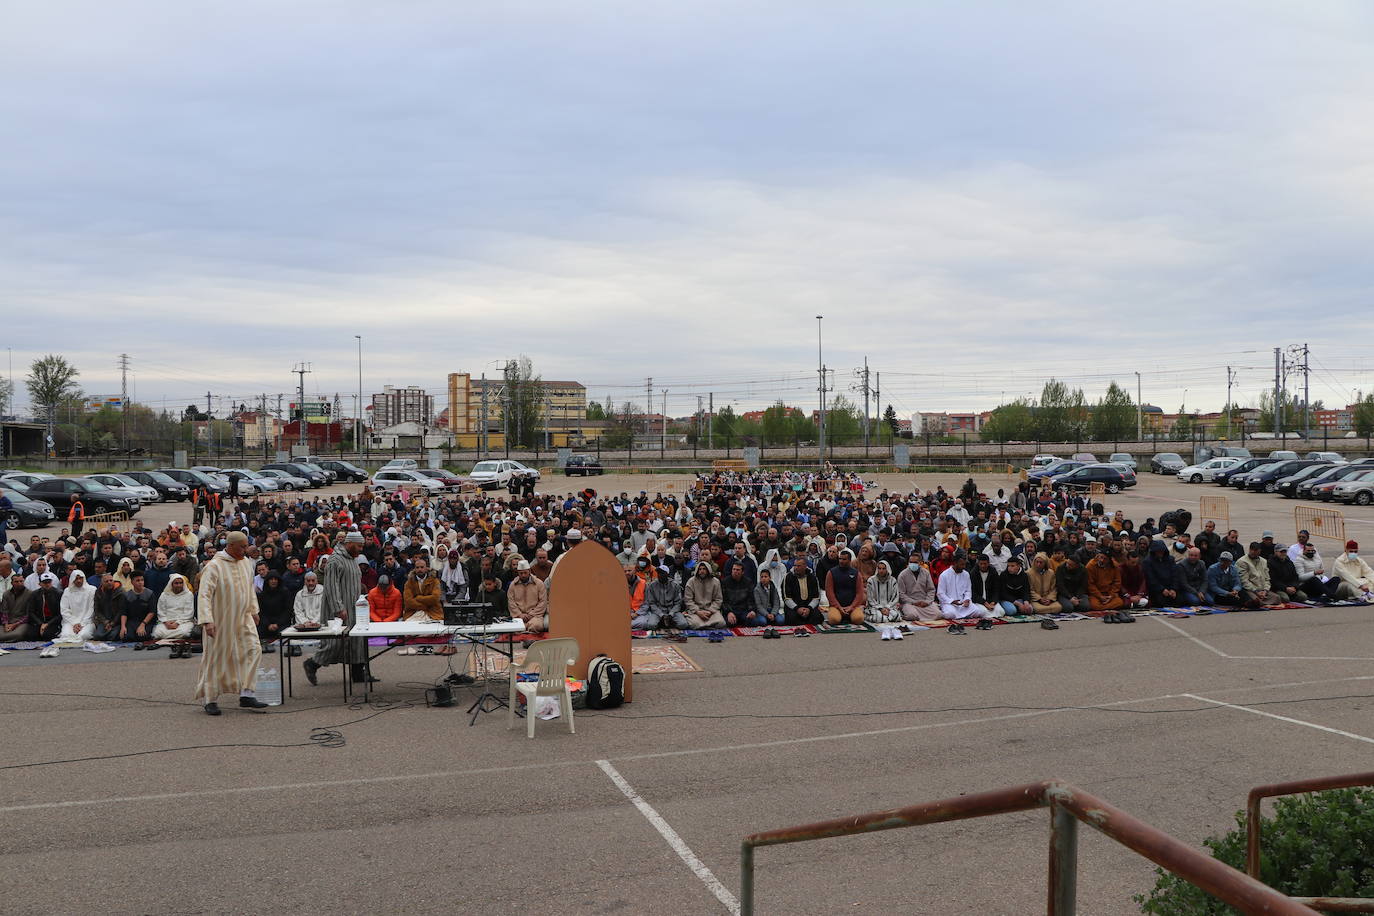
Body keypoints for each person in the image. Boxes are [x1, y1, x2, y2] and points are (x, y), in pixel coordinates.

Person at [195, 531, 268, 714]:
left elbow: (249, 589)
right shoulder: (214, 566)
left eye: (246, 546)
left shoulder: (246, 563)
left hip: (243, 617)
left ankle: (247, 694)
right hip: (220, 620)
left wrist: (254, 610)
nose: (246, 549)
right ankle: (210, 699)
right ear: (231, 545)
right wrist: (207, 621)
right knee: (216, 658)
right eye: (242, 546)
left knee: (254, 650)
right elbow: (204, 595)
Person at [304, 531, 370, 687]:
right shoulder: (335, 560)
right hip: (339, 610)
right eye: (359, 546)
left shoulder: (352, 559)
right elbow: (331, 587)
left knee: (356, 640)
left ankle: (358, 673)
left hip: (354, 607)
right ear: (350, 544)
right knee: (335, 643)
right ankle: (312, 664)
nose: (361, 549)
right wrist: (338, 608)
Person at [155, 574, 198, 656]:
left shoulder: (188, 595)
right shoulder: (164, 595)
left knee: (185, 632)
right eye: (176, 583)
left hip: (183, 622)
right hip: (167, 622)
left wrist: (177, 623)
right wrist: (166, 622)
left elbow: (188, 613)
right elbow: (161, 611)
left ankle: (168, 638)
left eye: (180, 583)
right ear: (171, 584)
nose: (179, 585)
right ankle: (175, 637)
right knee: (157, 633)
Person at [937, 552, 980, 630]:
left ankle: (961, 616)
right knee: (950, 614)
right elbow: (940, 593)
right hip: (949, 604)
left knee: (978, 611)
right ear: (955, 563)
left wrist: (967, 599)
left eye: (964, 565)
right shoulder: (944, 575)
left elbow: (968, 591)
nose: (963, 567)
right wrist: (952, 601)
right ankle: (960, 616)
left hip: (963, 604)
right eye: (961, 565)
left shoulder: (966, 574)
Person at [823, 549, 866, 625]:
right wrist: (838, 607)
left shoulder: (856, 573)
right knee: (834, 620)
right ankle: (843, 615)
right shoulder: (831, 573)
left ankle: (848, 616)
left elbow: (860, 593)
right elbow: (829, 593)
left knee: (859, 619)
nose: (841, 561)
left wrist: (851, 607)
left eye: (844, 559)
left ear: (849, 560)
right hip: (836, 606)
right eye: (840, 559)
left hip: (853, 606)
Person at [55, 569, 96, 644]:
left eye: (80, 578)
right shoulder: (67, 591)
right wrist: (75, 623)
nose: (79, 581)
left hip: (87, 622)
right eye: (76, 578)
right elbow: (64, 610)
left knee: (84, 635)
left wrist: (82, 624)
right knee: (66, 635)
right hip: (70, 622)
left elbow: (91, 609)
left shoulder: (92, 590)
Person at [1235, 542, 1281, 607]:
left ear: (1260, 551)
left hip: (1262, 590)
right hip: (1250, 590)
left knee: (1277, 598)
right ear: (1249, 550)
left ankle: (1261, 602)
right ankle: (1258, 602)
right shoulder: (1242, 561)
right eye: (1252, 550)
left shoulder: (1264, 561)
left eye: (1256, 551)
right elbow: (1244, 581)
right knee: (1255, 600)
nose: (1253, 552)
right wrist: (1256, 591)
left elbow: (1267, 578)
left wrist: (1265, 590)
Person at [508, 560, 549, 632]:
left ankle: (525, 631)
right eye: (521, 573)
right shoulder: (513, 585)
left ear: (529, 571)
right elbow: (511, 602)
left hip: (535, 616)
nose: (523, 575)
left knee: (536, 626)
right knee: (514, 628)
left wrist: (531, 614)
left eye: (525, 573)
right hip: (518, 616)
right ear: (518, 573)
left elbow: (543, 602)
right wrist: (519, 614)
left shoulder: (539, 583)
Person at [682, 562, 726, 629]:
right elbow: (688, 600)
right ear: (697, 570)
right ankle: (709, 626)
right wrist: (698, 612)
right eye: (700, 569)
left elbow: (718, 599)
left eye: (704, 569)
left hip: (711, 611)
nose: (702, 571)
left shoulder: (715, 582)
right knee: (695, 624)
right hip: (696, 611)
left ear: (708, 570)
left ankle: (704, 627)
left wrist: (710, 611)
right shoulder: (691, 581)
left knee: (721, 623)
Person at [256, 571, 294, 649]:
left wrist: (277, 624)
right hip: (267, 623)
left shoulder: (285, 593)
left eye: (275, 579)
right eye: (271, 579)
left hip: (281, 622)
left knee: (284, 632)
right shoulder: (262, 595)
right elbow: (260, 612)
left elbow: (288, 610)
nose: (273, 581)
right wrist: (268, 624)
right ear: (267, 581)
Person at [896, 555, 938, 622]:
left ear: (920, 563)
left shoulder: (926, 573)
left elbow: (931, 589)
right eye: (911, 562)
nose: (912, 564)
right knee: (912, 615)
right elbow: (901, 594)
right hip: (910, 603)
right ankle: (904, 614)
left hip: (924, 603)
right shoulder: (902, 575)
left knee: (938, 614)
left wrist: (927, 602)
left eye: (915, 562)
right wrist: (914, 602)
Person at [783, 556, 823, 626]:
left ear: (805, 566)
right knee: (792, 618)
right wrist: (797, 609)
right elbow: (787, 598)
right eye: (795, 565)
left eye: (798, 566)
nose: (796, 568)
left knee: (817, 617)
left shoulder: (812, 577)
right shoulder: (788, 577)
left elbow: (816, 597)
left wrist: (809, 609)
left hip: (809, 608)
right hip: (794, 608)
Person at [721, 563, 760, 627]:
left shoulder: (748, 582)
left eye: (738, 570)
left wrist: (752, 611)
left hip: (743, 610)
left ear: (742, 572)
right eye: (734, 569)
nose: (735, 571)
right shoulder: (725, 582)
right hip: (731, 610)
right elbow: (724, 601)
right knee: (729, 623)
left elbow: (751, 599)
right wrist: (728, 612)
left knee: (754, 622)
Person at [864, 560, 901, 624]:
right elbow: (870, 598)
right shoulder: (871, 581)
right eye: (879, 568)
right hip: (875, 607)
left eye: (883, 568)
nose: (881, 570)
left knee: (896, 616)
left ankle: (885, 617)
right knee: (879, 618)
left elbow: (895, 597)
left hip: (889, 607)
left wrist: (887, 607)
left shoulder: (893, 580)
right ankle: (870, 616)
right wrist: (881, 608)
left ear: (887, 569)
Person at [1, 573, 34, 643]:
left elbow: (28, 615)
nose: (19, 583)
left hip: (22, 623)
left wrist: (15, 625)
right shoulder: (6, 594)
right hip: (8, 622)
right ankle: (7, 639)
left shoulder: (30, 594)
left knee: (18, 634)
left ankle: (4, 639)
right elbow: (4, 612)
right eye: (16, 582)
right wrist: (6, 624)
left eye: (21, 581)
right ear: (12, 583)